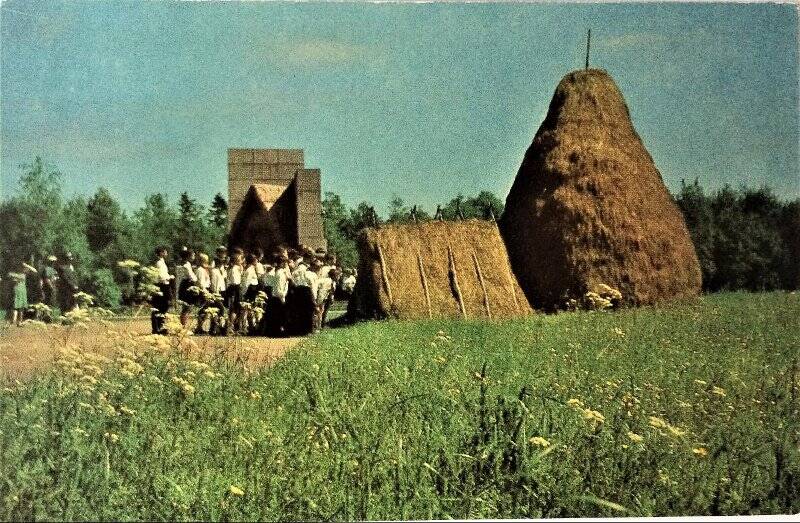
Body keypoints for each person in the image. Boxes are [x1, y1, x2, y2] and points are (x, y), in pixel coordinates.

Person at [290, 255, 319, 336]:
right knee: (308, 312)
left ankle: (300, 330)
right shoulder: (308, 272)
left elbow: (292, 278)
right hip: (306, 291)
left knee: (300, 311)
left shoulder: (297, 269)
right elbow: (311, 285)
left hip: (297, 290)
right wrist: (314, 298)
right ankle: (308, 330)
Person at [264, 254, 291, 337]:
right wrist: (282, 298)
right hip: (278, 297)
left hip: (276, 296)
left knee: (278, 316)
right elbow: (279, 288)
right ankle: (278, 332)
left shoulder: (278, 272)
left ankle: (276, 332)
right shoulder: (280, 274)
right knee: (280, 316)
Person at [151, 246, 174, 335]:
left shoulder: (162, 262)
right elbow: (161, 276)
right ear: (161, 253)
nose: (166, 253)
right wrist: (170, 277)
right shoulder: (159, 263)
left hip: (165, 285)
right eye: (165, 252)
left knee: (164, 307)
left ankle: (160, 326)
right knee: (160, 306)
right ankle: (157, 327)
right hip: (162, 286)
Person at [8, 261, 37, 326]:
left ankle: (16, 321)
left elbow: (35, 271)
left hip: (20, 290)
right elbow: (34, 271)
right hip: (19, 290)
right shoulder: (21, 274)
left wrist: (26, 265)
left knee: (18, 307)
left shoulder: (14, 274)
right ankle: (17, 321)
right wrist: (27, 265)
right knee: (18, 307)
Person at [175, 247, 198, 329]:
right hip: (187, 285)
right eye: (193, 255)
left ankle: (183, 326)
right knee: (187, 307)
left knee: (187, 307)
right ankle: (183, 327)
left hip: (185, 285)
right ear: (188, 256)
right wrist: (196, 280)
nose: (194, 256)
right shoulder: (186, 265)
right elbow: (192, 277)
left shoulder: (184, 264)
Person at [209, 250, 228, 336]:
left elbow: (223, 278)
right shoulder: (214, 271)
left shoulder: (221, 270)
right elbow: (214, 283)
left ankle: (215, 327)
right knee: (220, 309)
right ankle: (215, 327)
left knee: (218, 310)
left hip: (221, 291)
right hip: (216, 292)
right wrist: (215, 292)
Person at [226, 247, 244, 333]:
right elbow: (235, 281)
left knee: (235, 309)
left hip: (234, 288)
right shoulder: (234, 269)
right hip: (235, 288)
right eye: (240, 259)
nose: (242, 261)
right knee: (234, 309)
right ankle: (230, 325)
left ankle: (233, 325)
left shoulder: (235, 268)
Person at [194, 253, 211, 334]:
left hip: (206, 289)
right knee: (203, 309)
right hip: (203, 291)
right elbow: (201, 283)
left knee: (205, 310)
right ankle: (199, 327)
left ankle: (200, 327)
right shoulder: (200, 270)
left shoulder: (205, 269)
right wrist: (205, 292)